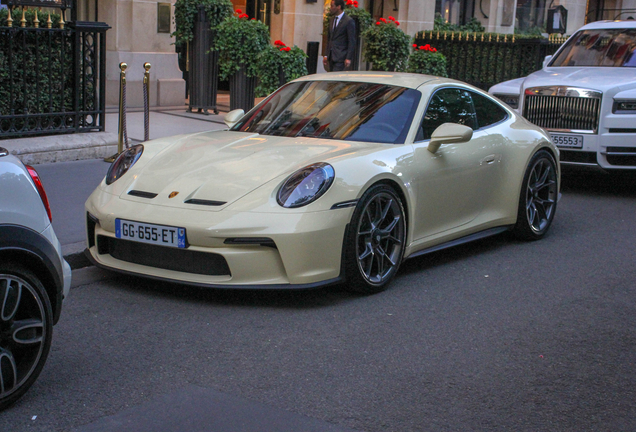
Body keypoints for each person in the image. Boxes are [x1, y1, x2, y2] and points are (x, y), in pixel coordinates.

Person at [323, 0, 356, 72]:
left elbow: (351, 41)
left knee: (335, 79)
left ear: (339, 7)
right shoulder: (331, 20)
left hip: (341, 57)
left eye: (332, 6)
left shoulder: (348, 21)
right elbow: (329, 39)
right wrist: (326, 55)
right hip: (331, 57)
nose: (330, 8)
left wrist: (348, 58)